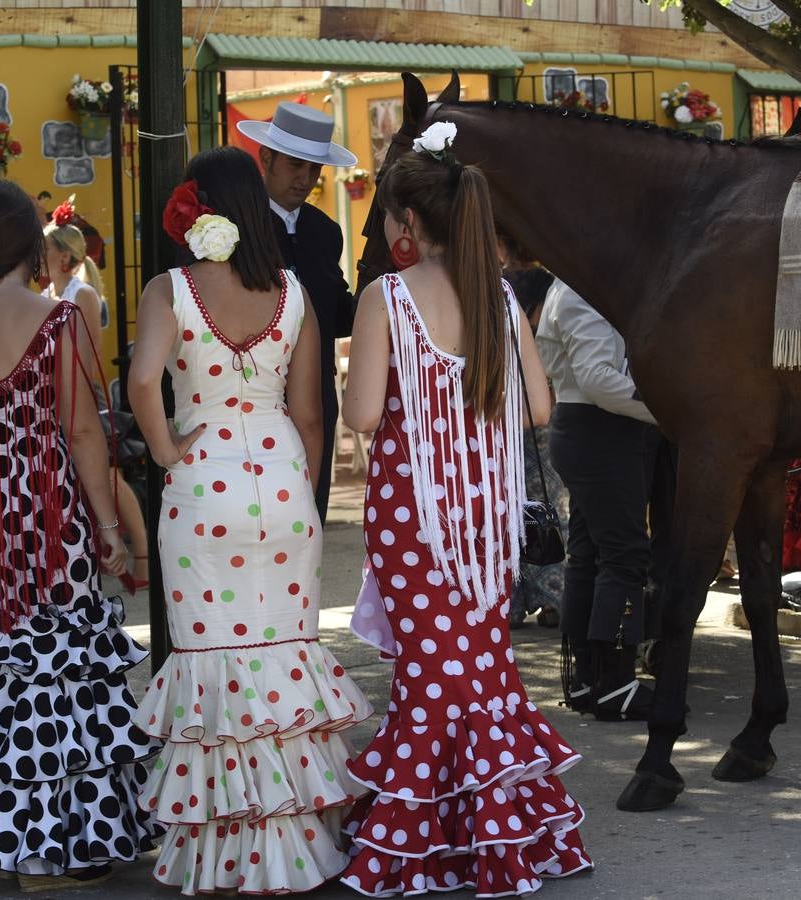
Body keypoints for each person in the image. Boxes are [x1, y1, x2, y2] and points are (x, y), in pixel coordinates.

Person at [340, 124, 591, 896]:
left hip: (413, 508)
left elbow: (362, 414)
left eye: (386, 216)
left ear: (408, 225)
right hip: (485, 513)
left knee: (431, 673)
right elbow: (541, 410)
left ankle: (428, 840)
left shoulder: (388, 297)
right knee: (479, 666)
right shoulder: (502, 301)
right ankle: (496, 829)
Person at [0, 179, 160, 889]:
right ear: (26, 243)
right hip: (47, 523)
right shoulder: (56, 322)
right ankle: (52, 851)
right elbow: (81, 429)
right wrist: (108, 524)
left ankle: (4, 832)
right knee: (59, 674)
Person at [127, 147, 371, 895]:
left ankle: (226, 856)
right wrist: (310, 494)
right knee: (284, 657)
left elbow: (142, 381)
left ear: (199, 208)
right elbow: (309, 413)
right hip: (282, 486)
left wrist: (166, 451)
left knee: (215, 672)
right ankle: (295, 845)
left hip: (203, 490)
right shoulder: (294, 291)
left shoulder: (170, 288)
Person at [537, 277, 663, 722]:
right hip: (599, 430)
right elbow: (599, 379)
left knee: (589, 557)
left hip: (588, 428)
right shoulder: (583, 288)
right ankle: (615, 685)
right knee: (624, 555)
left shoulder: (567, 285)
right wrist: (670, 409)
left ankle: (588, 679)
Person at [238, 101, 358, 523]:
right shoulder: (235, 229)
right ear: (266, 158)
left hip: (317, 392)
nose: (305, 179)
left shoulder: (325, 231)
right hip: (252, 392)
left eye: (315, 170)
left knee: (309, 513)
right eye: (296, 165)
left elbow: (337, 313)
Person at [42, 196, 148, 593]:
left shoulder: (81, 295)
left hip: (82, 394)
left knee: (108, 475)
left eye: (46, 249)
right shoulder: (51, 298)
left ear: (64, 258)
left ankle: (142, 558)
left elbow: (87, 358)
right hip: (58, 396)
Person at [496, 233, 564, 629]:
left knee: (507, 504)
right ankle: (554, 596)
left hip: (497, 407)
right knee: (548, 503)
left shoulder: (491, 287)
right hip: (540, 398)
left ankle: (513, 601)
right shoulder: (548, 286)